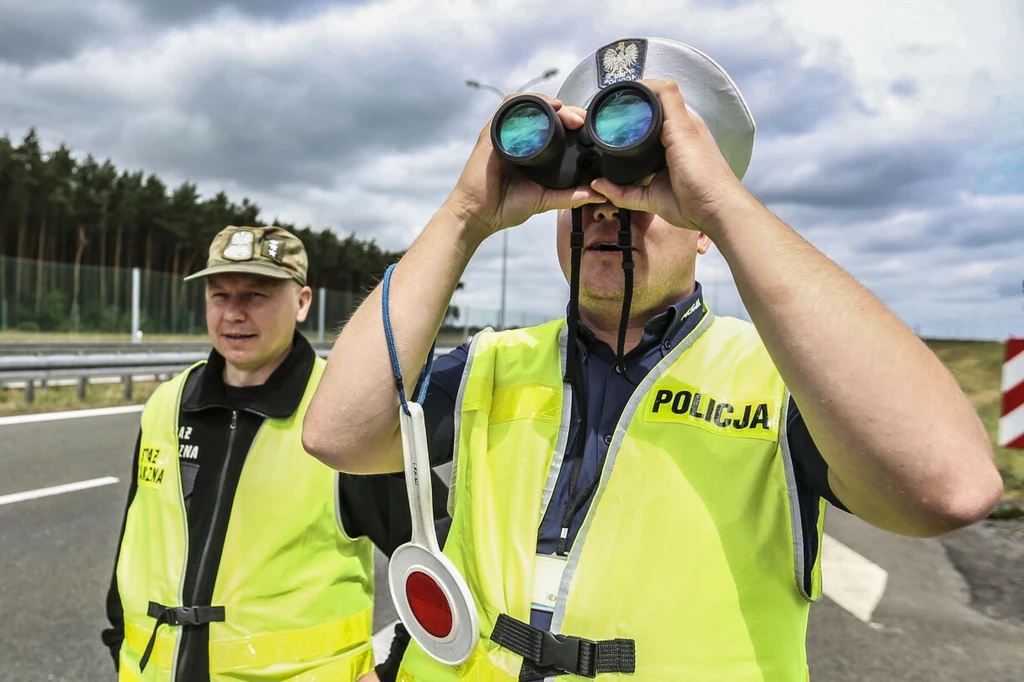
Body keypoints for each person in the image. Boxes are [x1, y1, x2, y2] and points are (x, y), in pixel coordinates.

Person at [301, 38, 1004, 681]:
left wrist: (724, 207)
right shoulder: (493, 363)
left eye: (645, 185)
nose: (608, 210)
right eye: (590, 192)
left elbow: (947, 486)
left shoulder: (776, 382)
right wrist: (464, 214)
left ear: (700, 224)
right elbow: (338, 433)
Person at [102, 225, 447, 681]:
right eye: (220, 295)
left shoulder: (341, 415)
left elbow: (448, 546)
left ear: (302, 302)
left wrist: (395, 669)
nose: (234, 314)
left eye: (256, 296)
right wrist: (117, 643)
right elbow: (138, 539)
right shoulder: (168, 401)